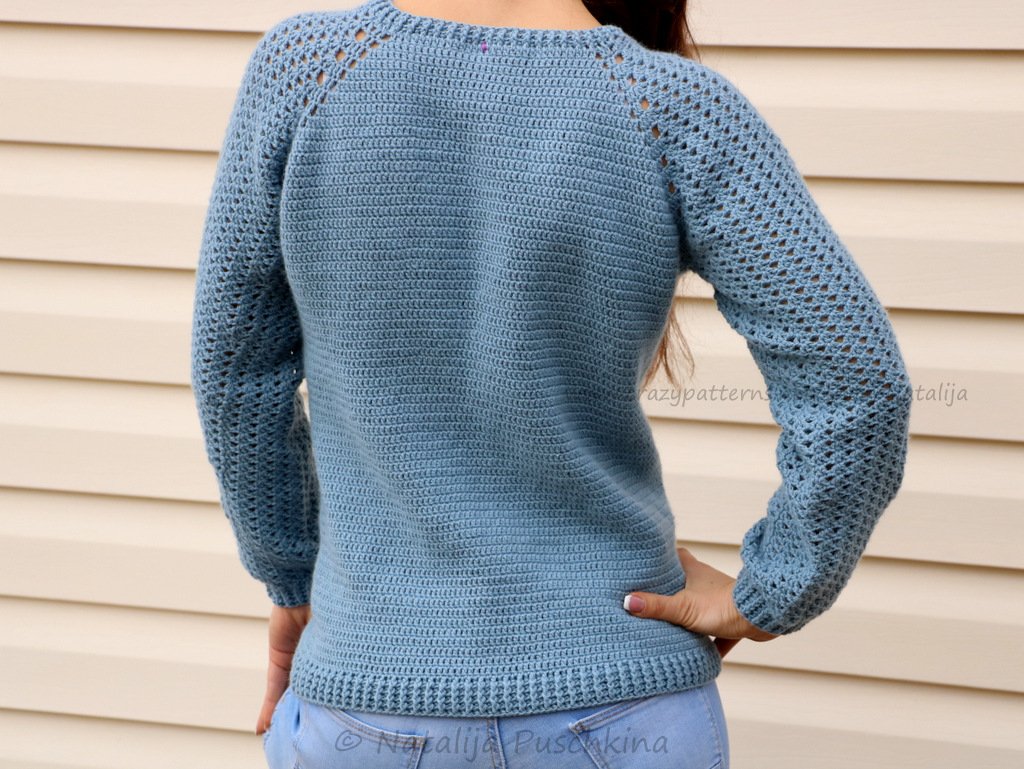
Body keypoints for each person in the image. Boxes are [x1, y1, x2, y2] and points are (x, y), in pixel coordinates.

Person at [189, 1, 914, 767]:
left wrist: (293, 577)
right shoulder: (669, 104)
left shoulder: (308, 71)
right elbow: (857, 382)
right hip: (624, 698)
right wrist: (768, 594)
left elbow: (236, 374)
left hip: (369, 701)